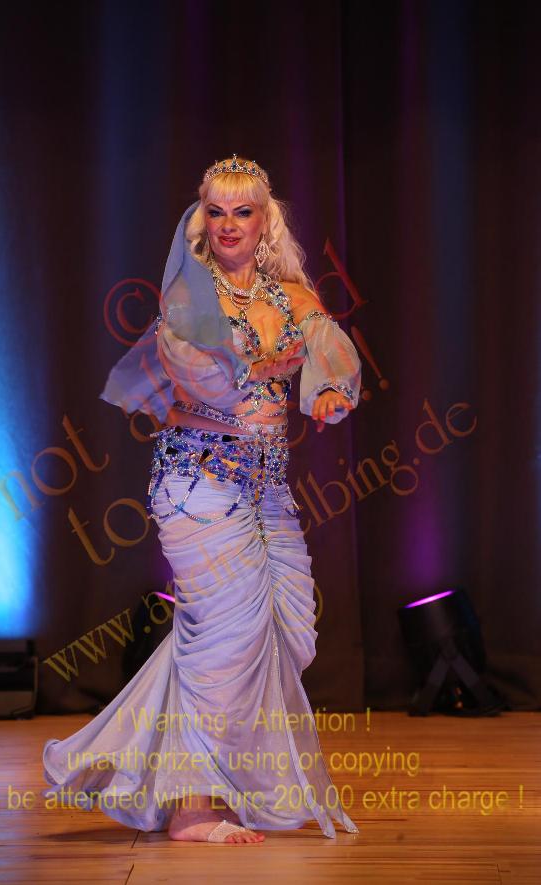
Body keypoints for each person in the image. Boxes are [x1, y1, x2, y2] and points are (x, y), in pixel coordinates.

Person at [42, 154, 362, 845]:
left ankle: (185, 773)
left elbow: (328, 347)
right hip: (198, 486)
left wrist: (330, 390)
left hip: (266, 491)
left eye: (242, 212)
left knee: (285, 632)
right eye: (216, 212)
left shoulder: (290, 297)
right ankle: (191, 805)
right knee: (226, 638)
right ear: (202, 220)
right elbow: (203, 382)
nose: (228, 224)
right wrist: (267, 366)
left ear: (265, 220)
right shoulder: (189, 297)